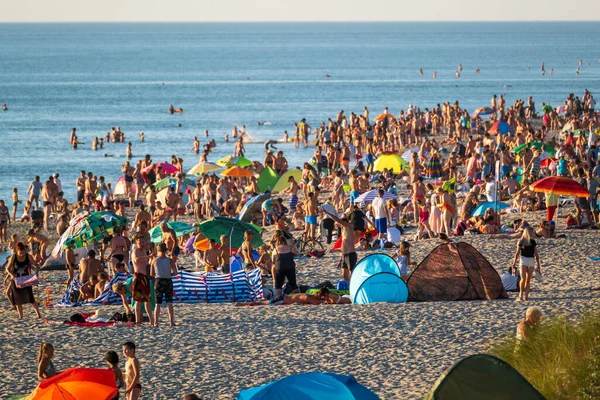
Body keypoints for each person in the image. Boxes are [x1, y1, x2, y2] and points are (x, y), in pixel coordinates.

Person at [6, 242, 42, 319]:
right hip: (16, 280)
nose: (22, 254)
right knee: (17, 299)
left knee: (30, 297)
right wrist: (11, 275)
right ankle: (20, 316)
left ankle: (38, 314)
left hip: (26, 279)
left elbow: (36, 265)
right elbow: (7, 268)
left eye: (23, 252)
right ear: (17, 250)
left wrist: (36, 273)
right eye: (20, 253)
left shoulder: (28, 256)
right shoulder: (13, 257)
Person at [322, 208, 356, 281]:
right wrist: (334, 250)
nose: (337, 224)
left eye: (339, 223)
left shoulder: (348, 227)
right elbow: (343, 247)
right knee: (344, 275)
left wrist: (327, 213)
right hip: (344, 255)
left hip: (350, 254)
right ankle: (348, 288)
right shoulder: (343, 231)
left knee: (352, 274)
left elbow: (337, 219)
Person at [511, 227, 542, 302]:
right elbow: (517, 253)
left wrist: (538, 265)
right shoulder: (521, 241)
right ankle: (521, 294)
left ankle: (526, 296)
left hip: (530, 260)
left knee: (528, 280)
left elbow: (536, 254)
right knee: (523, 278)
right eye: (532, 232)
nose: (533, 233)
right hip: (523, 260)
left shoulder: (533, 242)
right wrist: (514, 263)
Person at [151, 243, 177, 326]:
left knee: (157, 303)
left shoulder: (154, 260)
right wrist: (169, 274)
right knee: (169, 303)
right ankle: (171, 322)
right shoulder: (170, 260)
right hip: (168, 281)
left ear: (158, 250)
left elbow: (151, 273)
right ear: (166, 250)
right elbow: (175, 272)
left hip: (158, 281)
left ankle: (155, 322)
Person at [131, 235, 154, 325]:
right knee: (138, 300)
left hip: (145, 277)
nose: (142, 244)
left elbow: (147, 262)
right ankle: (137, 320)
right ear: (136, 243)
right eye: (140, 242)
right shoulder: (135, 251)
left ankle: (151, 319)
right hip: (138, 277)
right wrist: (148, 257)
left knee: (147, 300)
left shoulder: (144, 251)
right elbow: (136, 260)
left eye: (143, 242)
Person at [272, 235, 299, 300]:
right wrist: (294, 246)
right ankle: (298, 297)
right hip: (290, 266)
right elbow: (297, 254)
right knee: (293, 283)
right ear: (285, 241)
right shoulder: (290, 248)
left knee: (279, 285)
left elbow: (273, 261)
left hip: (279, 267)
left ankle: (278, 297)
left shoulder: (275, 250)